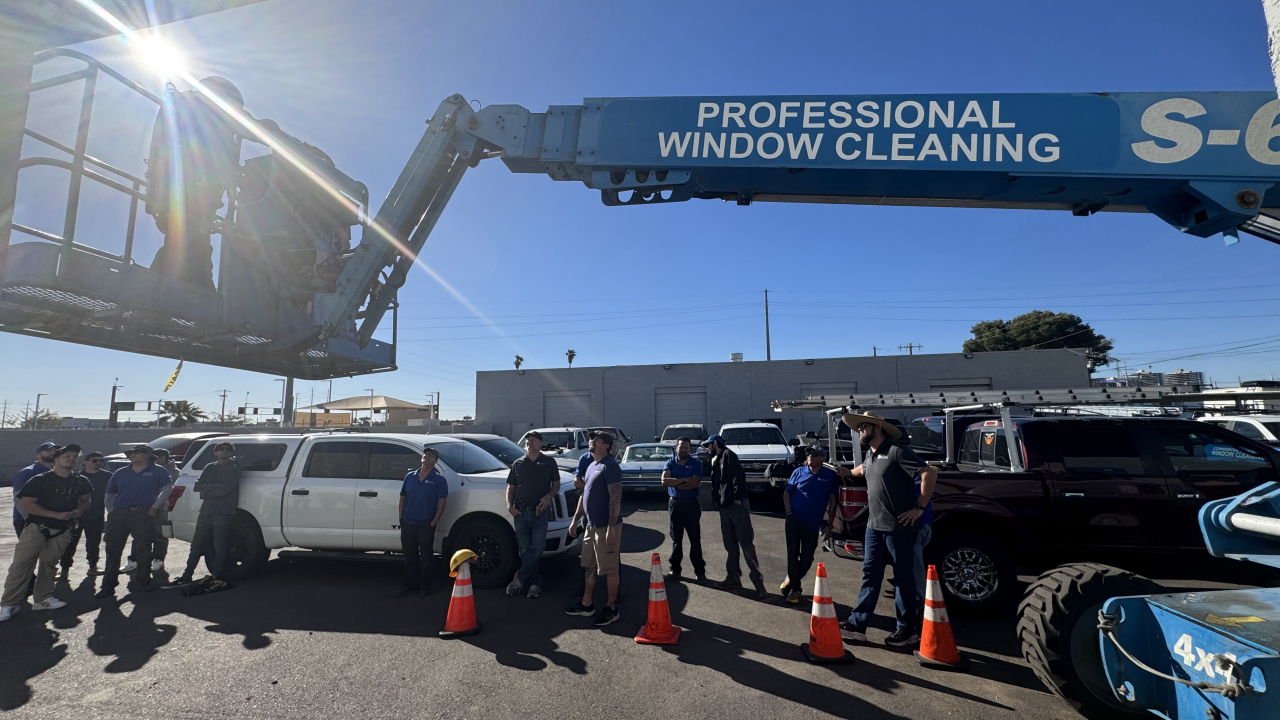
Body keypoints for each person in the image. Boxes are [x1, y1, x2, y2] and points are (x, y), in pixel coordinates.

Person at [839, 411, 937, 648]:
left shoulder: (897, 452)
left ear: (878, 428)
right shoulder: (871, 455)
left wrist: (918, 508)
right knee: (870, 575)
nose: (860, 429)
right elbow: (863, 469)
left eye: (864, 426)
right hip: (874, 528)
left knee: (903, 579)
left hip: (898, 528)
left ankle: (906, 630)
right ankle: (858, 625)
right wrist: (845, 473)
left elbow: (928, 473)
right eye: (859, 426)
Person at [145, 77, 246, 289]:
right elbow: (204, 157)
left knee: (190, 249)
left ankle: (152, 294)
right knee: (188, 250)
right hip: (184, 198)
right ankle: (161, 295)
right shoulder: (191, 114)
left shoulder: (185, 110)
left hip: (182, 199)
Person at [0, 444, 91, 622]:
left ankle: (43, 598)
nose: (71, 459)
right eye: (67, 455)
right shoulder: (39, 479)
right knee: (22, 565)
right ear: (56, 459)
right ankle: (9, 604)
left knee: (49, 564)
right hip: (37, 528)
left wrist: (80, 511)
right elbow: (28, 505)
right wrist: (55, 514)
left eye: (74, 456)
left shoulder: (81, 481)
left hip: (64, 529)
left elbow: (86, 500)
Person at [95, 445, 173, 599]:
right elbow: (109, 493)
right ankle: (108, 586)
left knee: (143, 549)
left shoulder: (157, 471)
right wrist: (111, 512)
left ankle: (144, 583)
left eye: (136, 453)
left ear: (147, 455)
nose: (132, 455)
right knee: (113, 550)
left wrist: (155, 507)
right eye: (131, 453)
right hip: (120, 513)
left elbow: (168, 488)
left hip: (143, 512)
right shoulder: (121, 472)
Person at [564, 432, 623, 627]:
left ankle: (611, 608)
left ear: (605, 445)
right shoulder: (591, 466)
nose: (591, 441)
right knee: (589, 567)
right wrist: (575, 521)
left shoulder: (610, 466)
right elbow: (584, 495)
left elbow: (615, 498)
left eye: (595, 439)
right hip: (590, 526)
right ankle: (586, 604)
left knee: (609, 569)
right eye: (591, 439)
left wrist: (611, 527)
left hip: (606, 527)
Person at [166, 441, 241, 588]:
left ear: (231, 453)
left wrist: (207, 492)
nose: (224, 452)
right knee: (197, 544)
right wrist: (213, 487)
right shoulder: (210, 467)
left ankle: (217, 575)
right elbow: (197, 486)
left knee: (219, 544)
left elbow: (225, 489)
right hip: (206, 511)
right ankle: (187, 575)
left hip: (223, 512)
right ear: (215, 452)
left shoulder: (235, 468)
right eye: (220, 449)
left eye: (227, 449)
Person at [706, 434, 766, 599]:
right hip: (724, 507)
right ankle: (733, 578)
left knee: (746, 543)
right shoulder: (716, 460)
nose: (706, 448)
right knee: (730, 544)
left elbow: (739, 476)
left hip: (736, 505)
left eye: (708, 445)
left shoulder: (728, 455)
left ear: (715, 443)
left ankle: (758, 583)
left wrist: (738, 498)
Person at [505, 431, 561, 599]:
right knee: (524, 550)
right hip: (521, 512)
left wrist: (548, 497)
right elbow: (511, 488)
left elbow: (556, 485)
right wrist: (509, 506)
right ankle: (534, 584)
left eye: (533, 440)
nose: (529, 443)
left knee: (537, 548)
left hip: (539, 513)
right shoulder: (518, 463)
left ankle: (519, 579)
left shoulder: (549, 462)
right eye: (528, 441)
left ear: (541, 444)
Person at [780, 445, 839, 604]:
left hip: (813, 523)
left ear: (823, 458)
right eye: (809, 454)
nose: (811, 456)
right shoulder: (798, 472)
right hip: (794, 519)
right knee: (792, 555)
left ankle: (792, 579)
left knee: (807, 558)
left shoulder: (829, 475)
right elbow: (787, 492)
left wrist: (829, 524)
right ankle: (795, 590)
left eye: (815, 454)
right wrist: (789, 513)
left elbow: (833, 501)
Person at [395, 447, 448, 598]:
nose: (427, 457)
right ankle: (408, 586)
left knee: (426, 558)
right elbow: (402, 498)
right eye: (425, 455)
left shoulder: (439, 480)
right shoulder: (410, 476)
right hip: (408, 523)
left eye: (431, 456)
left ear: (436, 461)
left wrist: (434, 522)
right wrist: (401, 518)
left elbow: (442, 502)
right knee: (409, 557)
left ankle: (424, 587)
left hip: (426, 524)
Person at [59, 451, 112, 578]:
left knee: (94, 543)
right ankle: (64, 570)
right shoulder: (77, 477)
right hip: (77, 516)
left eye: (101, 461)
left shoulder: (108, 476)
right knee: (70, 544)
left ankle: (93, 566)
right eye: (94, 460)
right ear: (85, 462)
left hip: (97, 515)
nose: (98, 463)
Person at [660, 437, 705, 583]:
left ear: (689, 449)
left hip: (691, 505)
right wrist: (684, 480)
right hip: (675, 505)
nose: (684, 450)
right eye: (681, 447)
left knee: (695, 539)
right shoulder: (670, 462)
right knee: (676, 539)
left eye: (686, 447)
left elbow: (695, 484)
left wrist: (676, 482)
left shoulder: (696, 463)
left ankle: (700, 572)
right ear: (676, 448)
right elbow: (664, 481)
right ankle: (675, 570)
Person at [10, 442, 56, 537]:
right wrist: (34, 522)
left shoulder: (56, 472)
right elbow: (19, 500)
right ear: (39, 455)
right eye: (48, 451)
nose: (52, 453)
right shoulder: (27, 473)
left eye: (55, 451)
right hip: (27, 522)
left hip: (50, 520)